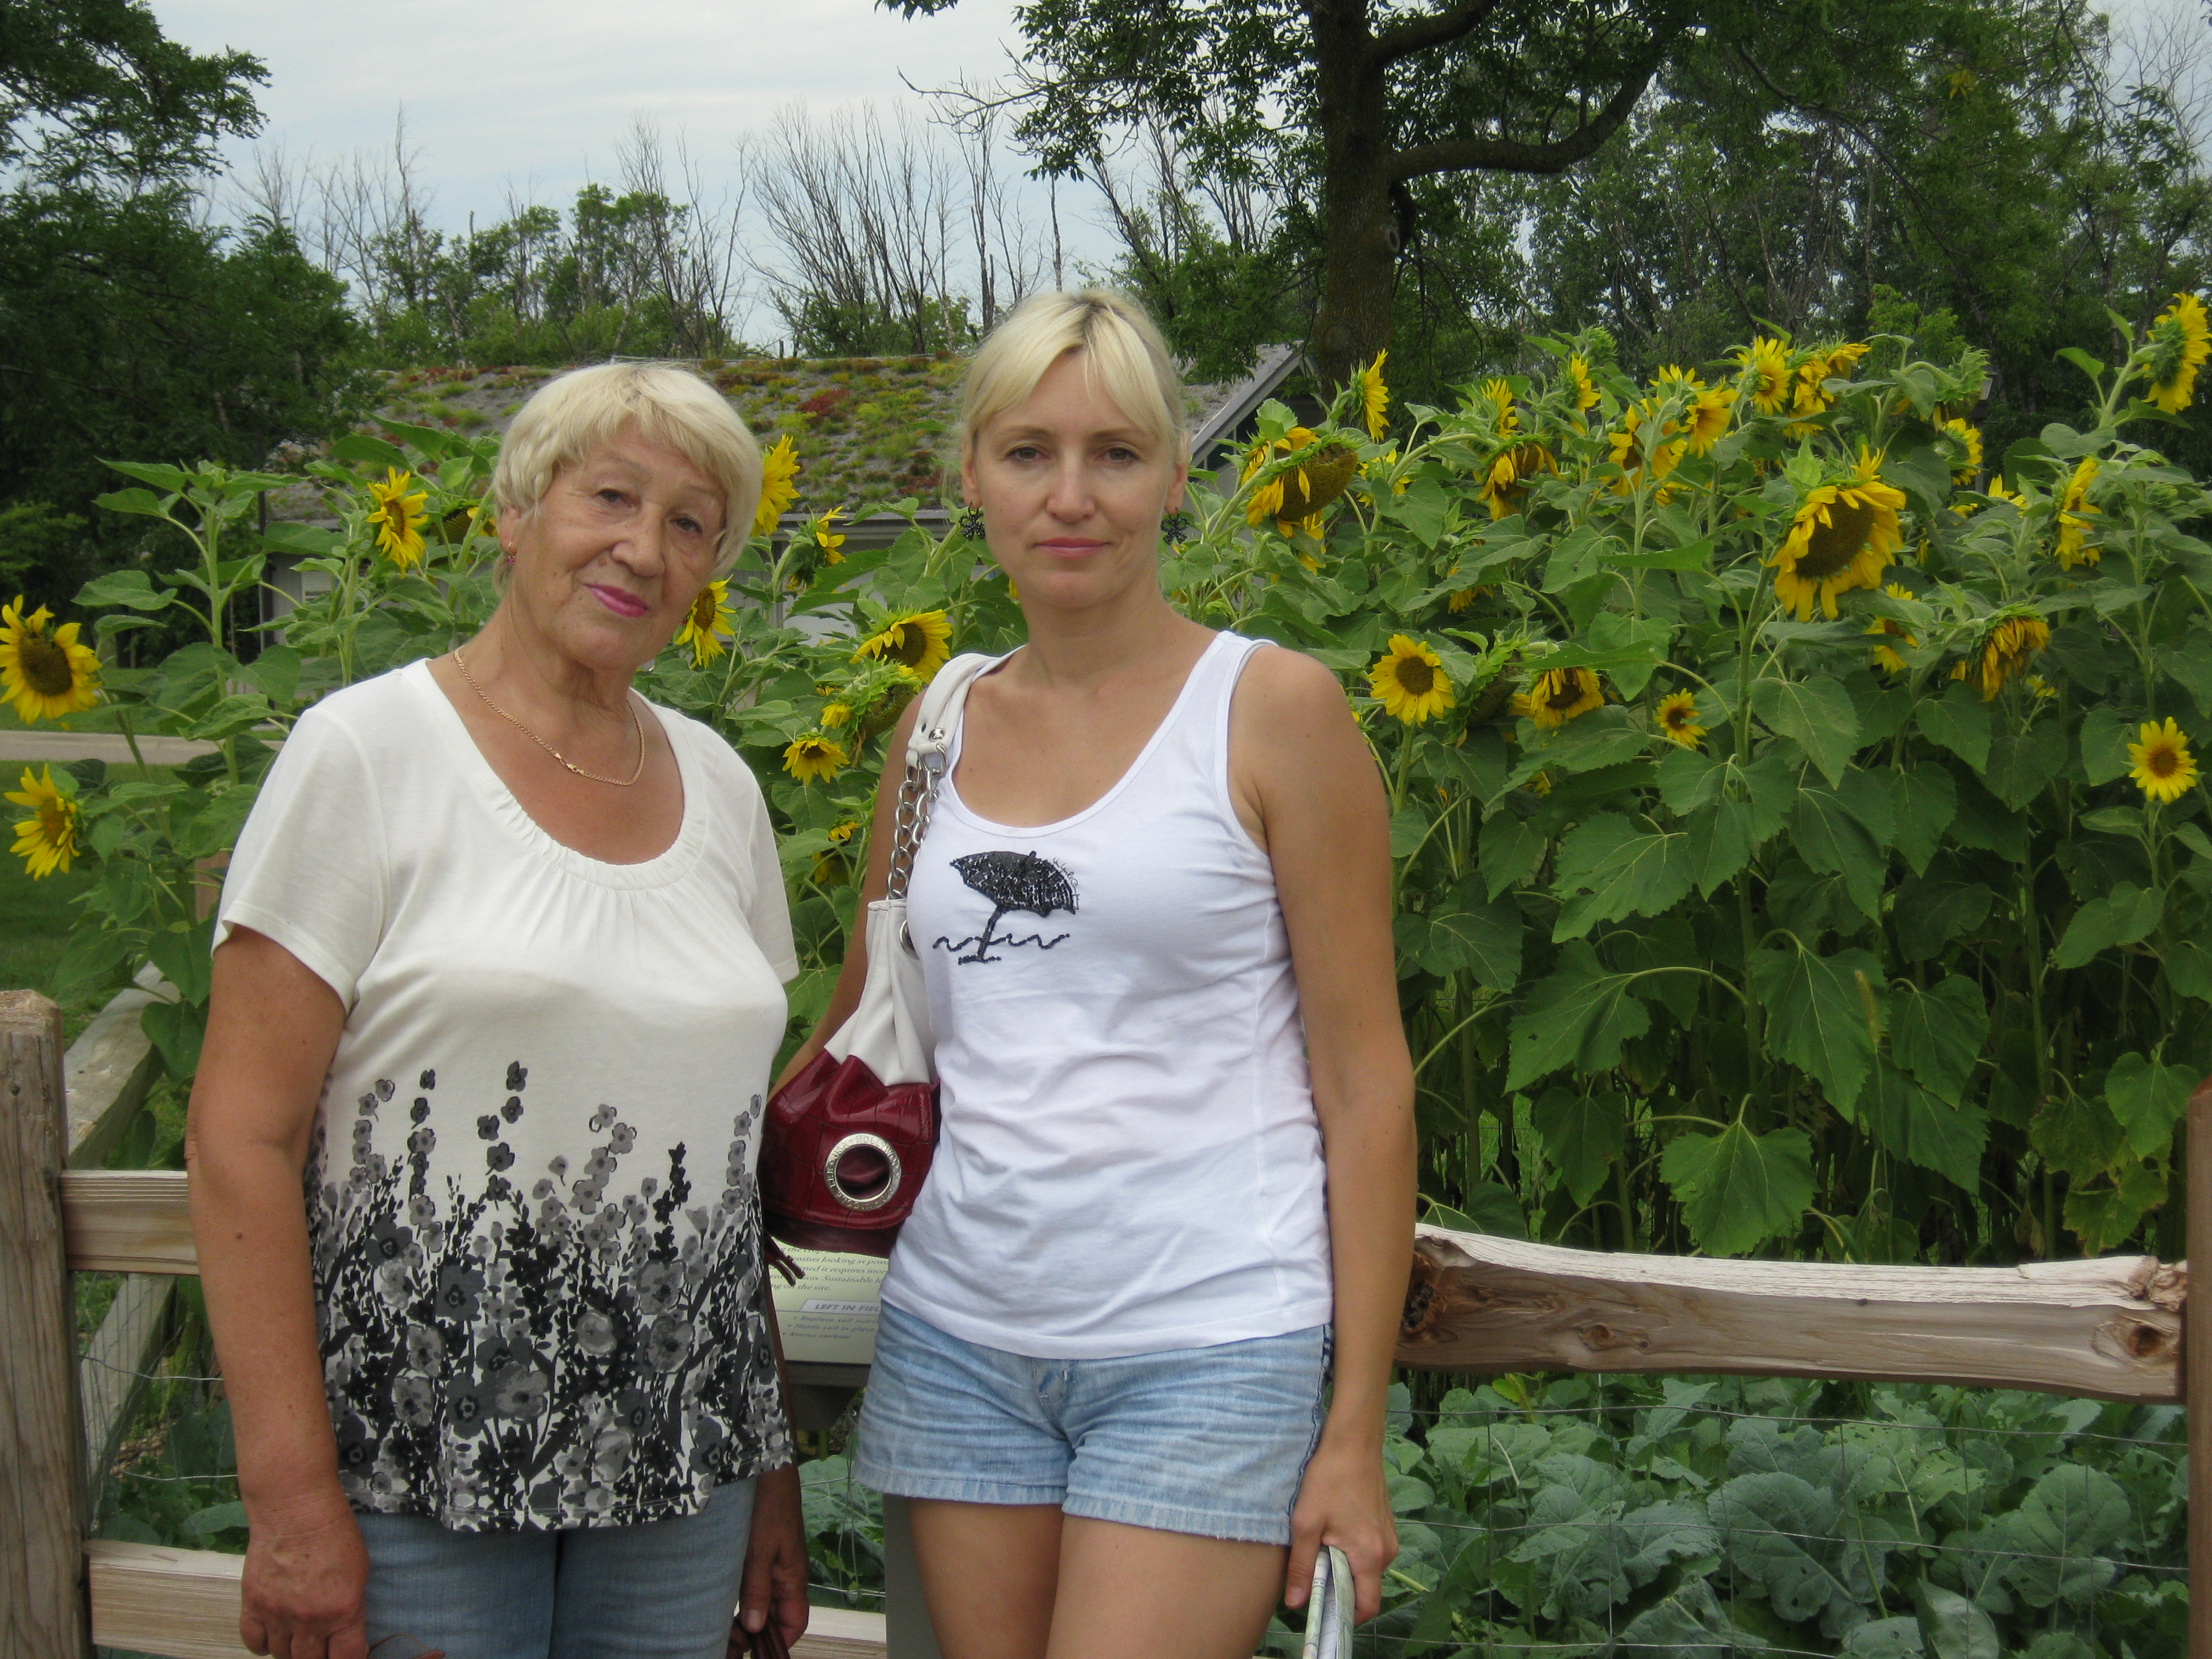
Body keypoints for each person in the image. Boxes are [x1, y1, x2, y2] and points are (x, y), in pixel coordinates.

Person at [779, 290, 1416, 1659]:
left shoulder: (1271, 711)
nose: (1071, 496)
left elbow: (1367, 1085)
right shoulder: (938, 723)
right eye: (1029, 452)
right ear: (972, 476)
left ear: (1178, 475)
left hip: (1206, 1337)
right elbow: (860, 1023)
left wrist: (1354, 1431)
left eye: (1116, 454)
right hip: (958, 1335)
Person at [188, 362, 811, 1659]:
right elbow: (239, 1140)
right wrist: (289, 1504)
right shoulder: (366, 753)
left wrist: (769, 1472)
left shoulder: (723, 788)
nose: (643, 549)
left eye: (690, 524)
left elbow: (721, 1160)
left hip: (682, 1467)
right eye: (609, 498)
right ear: (515, 513)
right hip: (418, 1461)